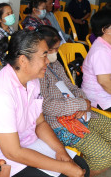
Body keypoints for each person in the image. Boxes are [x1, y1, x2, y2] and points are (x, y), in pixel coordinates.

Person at [0, 30, 89, 177]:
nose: (48, 61)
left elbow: (40, 123)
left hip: (28, 142)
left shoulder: (32, 81)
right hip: (3, 158)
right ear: (23, 61)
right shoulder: (0, 94)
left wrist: (61, 151)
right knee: (68, 173)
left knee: (81, 167)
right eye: (44, 55)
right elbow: (12, 152)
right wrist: (63, 167)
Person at [38, 25, 111, 176]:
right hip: (59, 123)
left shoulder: (54, 64)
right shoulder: (38, 71)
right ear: (43, 49)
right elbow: (46, 106)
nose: (56, 53)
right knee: (104, 155)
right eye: (54, 49)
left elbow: (71, 86)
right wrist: (81, 104)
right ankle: (79, 173)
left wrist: (85, 101)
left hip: (79, 112)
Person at [82, 9, 111, 112]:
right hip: (101, 100)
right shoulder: (100, 51)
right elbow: (104, 82)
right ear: (105, 30)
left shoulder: (106, 46)